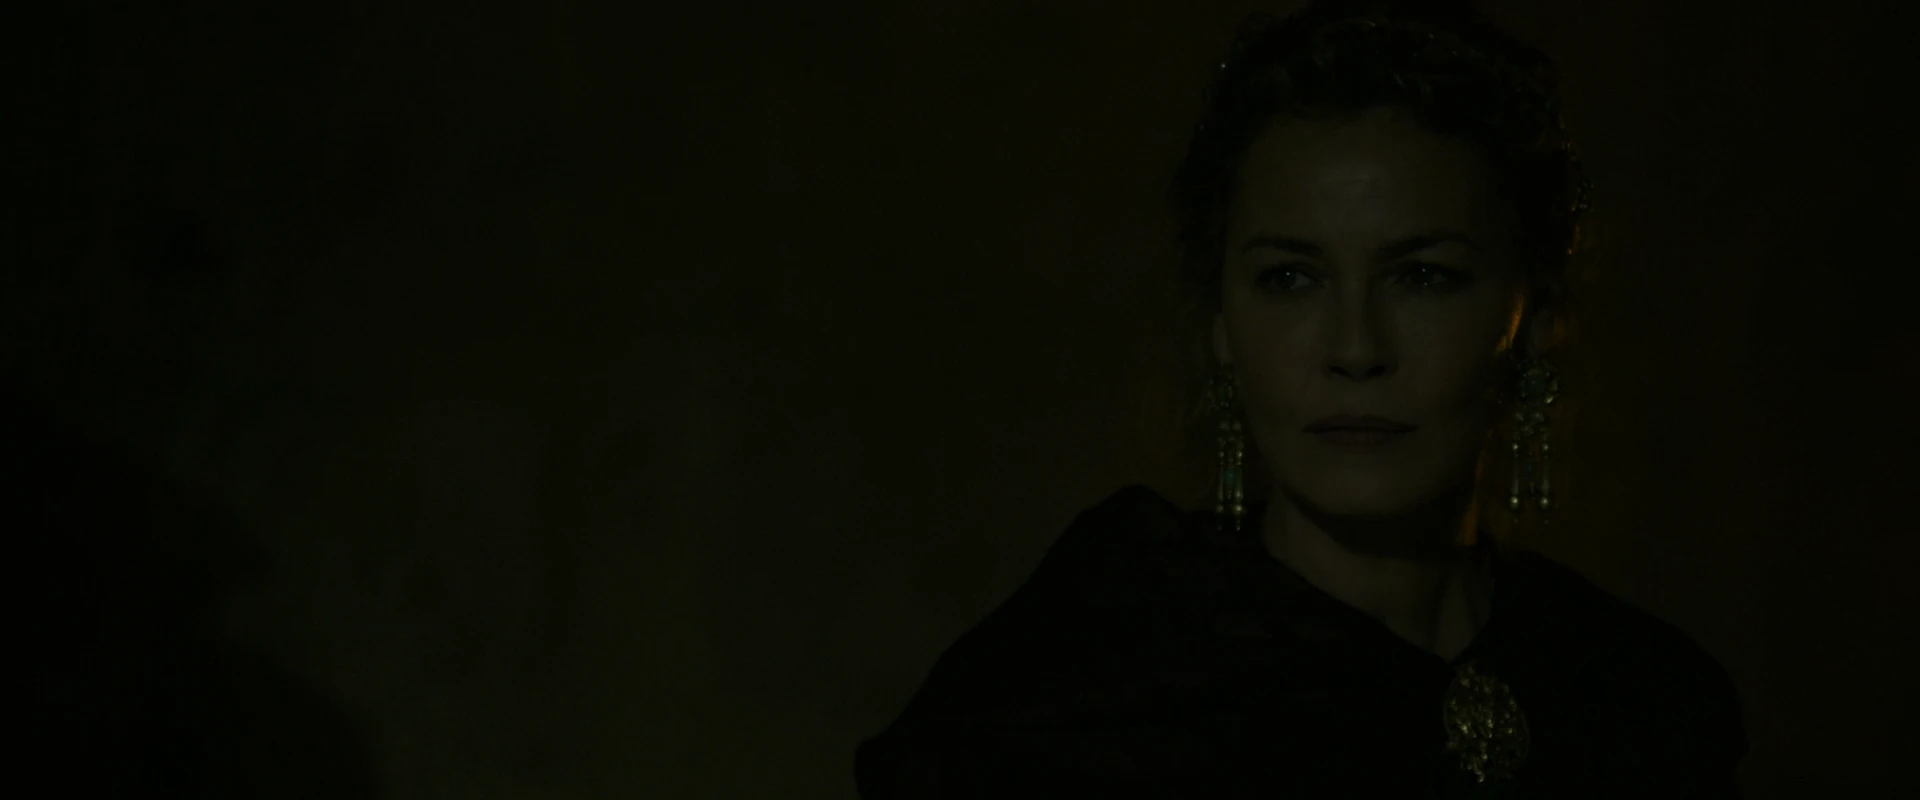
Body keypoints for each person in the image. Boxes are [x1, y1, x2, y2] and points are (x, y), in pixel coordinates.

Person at [853, 1, 1747, 796]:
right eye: (1290, 278)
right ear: (1221, 325)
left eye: (1423, 276)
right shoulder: (1078, 689)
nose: (1355, 348)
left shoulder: (1636, 695)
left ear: (1535, 318)